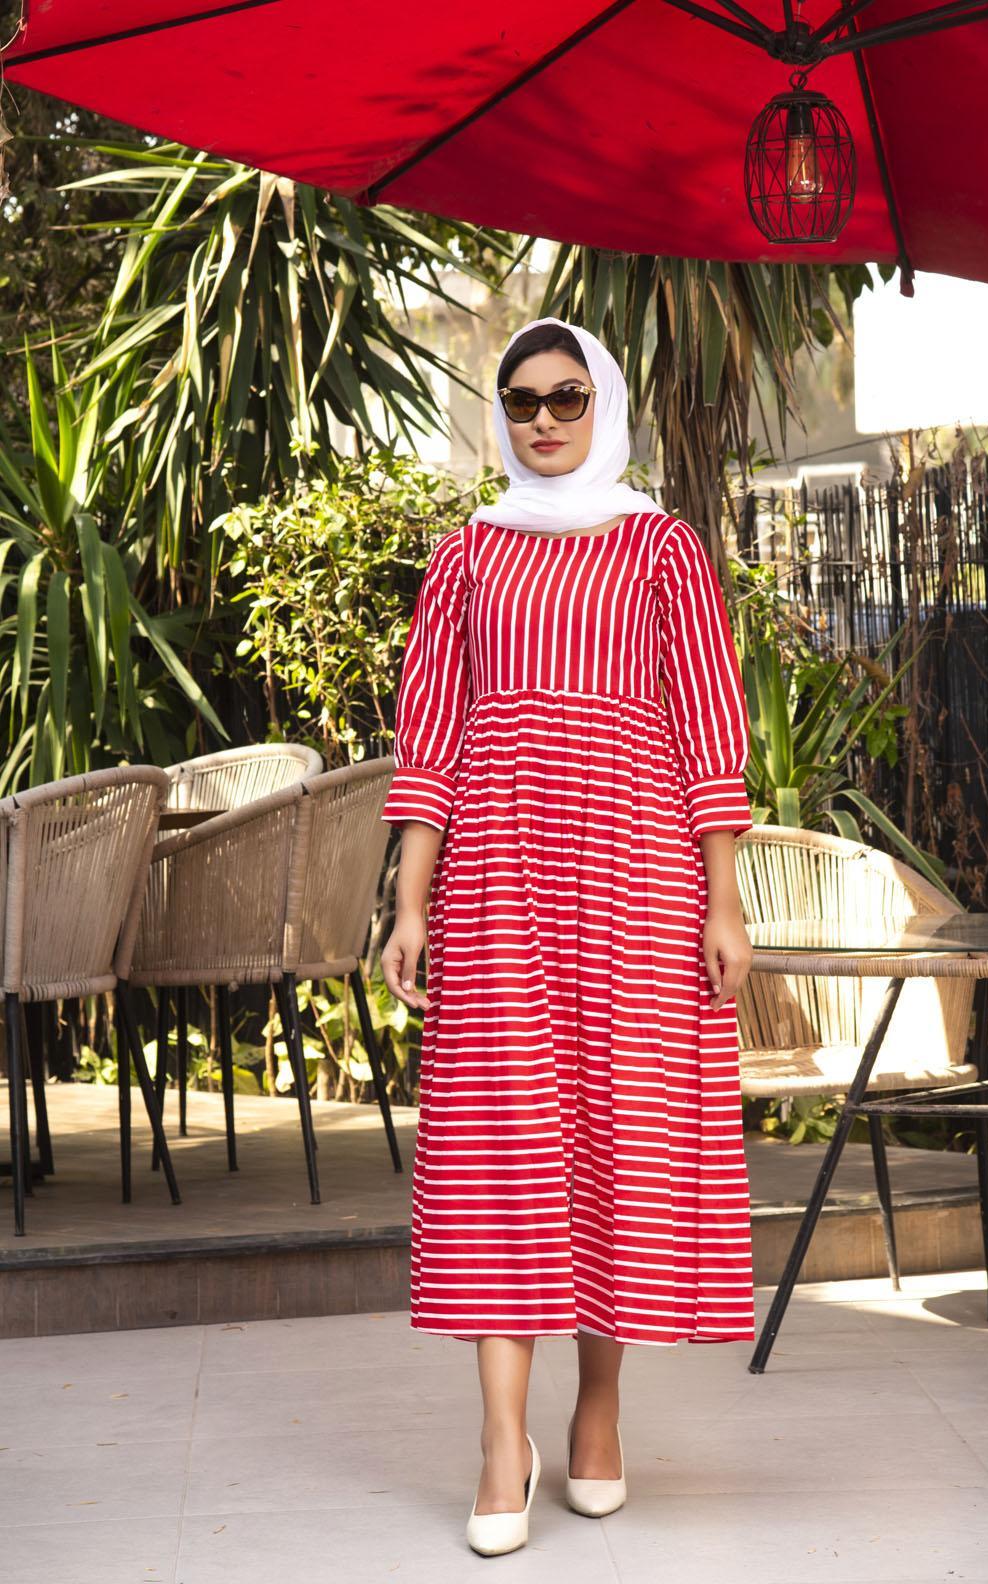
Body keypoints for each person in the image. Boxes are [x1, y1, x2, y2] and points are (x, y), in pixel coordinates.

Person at [380, 316, 756, 1557]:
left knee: (612, 1135)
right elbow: (430, 734)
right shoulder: (466, 556)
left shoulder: (661, 547)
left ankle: (598, 1407)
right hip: (497, 878)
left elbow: (707, 721)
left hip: (637, 876)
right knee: (496, 1138)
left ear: (604, 407)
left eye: (567, 397)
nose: (543, 419)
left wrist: (723, 898)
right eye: (522, 399)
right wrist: (409, 903)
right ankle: (502, 1441)